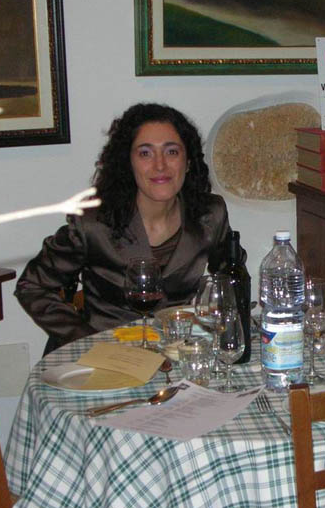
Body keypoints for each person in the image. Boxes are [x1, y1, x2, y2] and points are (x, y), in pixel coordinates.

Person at [16, 103, 241, 354]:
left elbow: (232, 275)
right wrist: (85, 341)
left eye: (172, 152)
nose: (160, 165)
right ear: (128, 163)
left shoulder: (210, 215)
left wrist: (220, 320)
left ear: (188, 162)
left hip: (178, 354)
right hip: (107, 356)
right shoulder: (92, 223)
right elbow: (32, 286)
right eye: (145, 153)